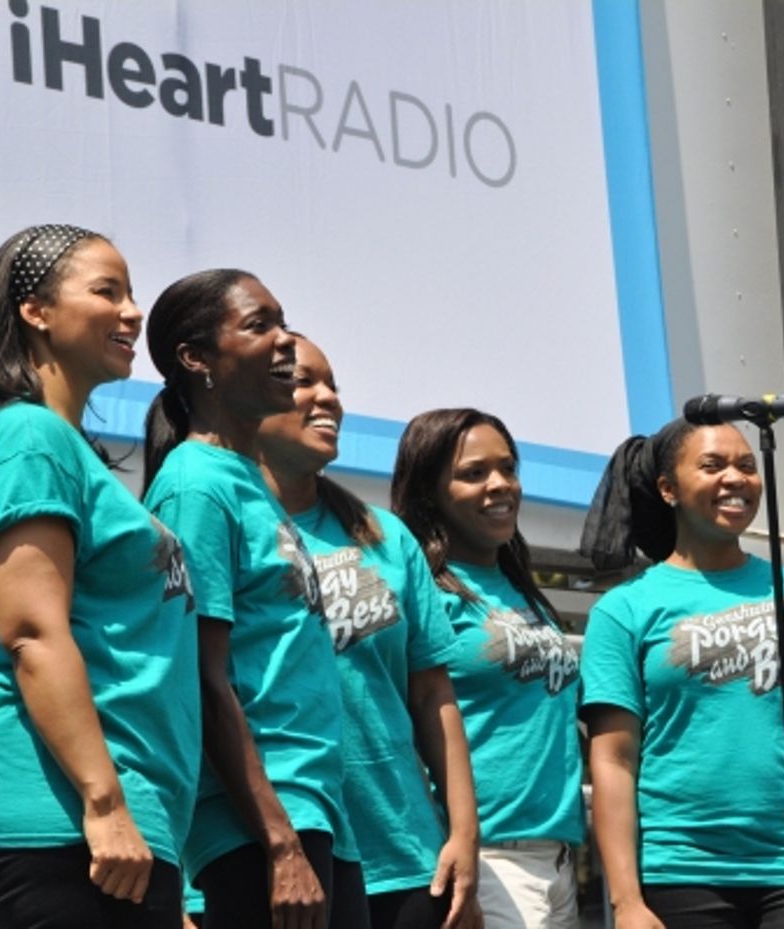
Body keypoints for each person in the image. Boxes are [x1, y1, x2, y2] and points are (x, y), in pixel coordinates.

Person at [0, 224, 199, 928]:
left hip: (100, 802)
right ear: (35, 310)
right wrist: (104, 803)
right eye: (107, 291)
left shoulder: (54, 445)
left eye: (132, 293)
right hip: (59, 803)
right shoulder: (25, 436)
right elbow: (32, 632)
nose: (133, 311)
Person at [578, 418, 784, 929]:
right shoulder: (625, 610)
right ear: (668, 489)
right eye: (713, 465)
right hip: (681, 871)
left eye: (747, 466)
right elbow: (614, 761)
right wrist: (626, 901)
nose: (736, 478)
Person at [142, 272, 364, 929]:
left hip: (313, 803)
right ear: (196, 358)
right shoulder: (196, 484)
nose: (284, 343)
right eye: (258, 325)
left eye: (283, 322)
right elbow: (203, 678)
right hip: (260, 822)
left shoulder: (247, 481)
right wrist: (279, 841)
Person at [252, 337, 480, 929]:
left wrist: (461, 834)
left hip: (407, 857)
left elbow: (432, 695)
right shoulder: (221, 519)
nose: (327, 399)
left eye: (333, 385)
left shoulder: (386, 538)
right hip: (272, 857)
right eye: (303, 383)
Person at [392, 408, 584, 929]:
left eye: (508, 468)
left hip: (558, 858)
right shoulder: (426, 589)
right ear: (429, 491)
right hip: (486, 858)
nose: (500, 485)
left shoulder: (520, 588)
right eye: (474, 473)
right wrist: (460, 847)